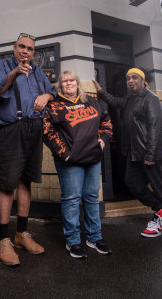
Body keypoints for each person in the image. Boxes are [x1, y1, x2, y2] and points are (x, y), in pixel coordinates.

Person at [0, 33, 56, 266]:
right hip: (10, 129)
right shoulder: (1, 65)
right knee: (8, 184)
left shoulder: (38, 71)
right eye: (21, 47)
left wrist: (47, 94)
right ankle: (3, 238)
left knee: (26, 181)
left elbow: (53, 92)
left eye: (30, 48)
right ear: (14, 47)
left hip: (33, 128)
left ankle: (21, 234)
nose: (25, 51)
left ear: (33, 52)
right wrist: (14, 74)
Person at [93, 68, 162, 239]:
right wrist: (101, 91)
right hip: (134, 153)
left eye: (134, 78)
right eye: (128, 78)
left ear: (142, 80)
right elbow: (116, 102)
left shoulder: (151, 98)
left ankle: (158, 221)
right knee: (132, 183)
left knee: (159, 189)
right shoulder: (130, 99)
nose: (130, 81)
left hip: (150, 152)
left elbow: (155, 127)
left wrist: (151, 154)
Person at [43, 71, 113, 258]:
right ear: (60, 85)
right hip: (70, 161)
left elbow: (106, 121)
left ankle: (94, 237)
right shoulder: (54, 105)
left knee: (91, 197)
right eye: (64, 81)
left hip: (93, 158)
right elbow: (48, 131)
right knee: (72, 199)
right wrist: (64, 154)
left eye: (72, 80)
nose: (68, 83)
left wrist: (103, 140)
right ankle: (73, 241)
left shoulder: (92, 101)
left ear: (77, 82)